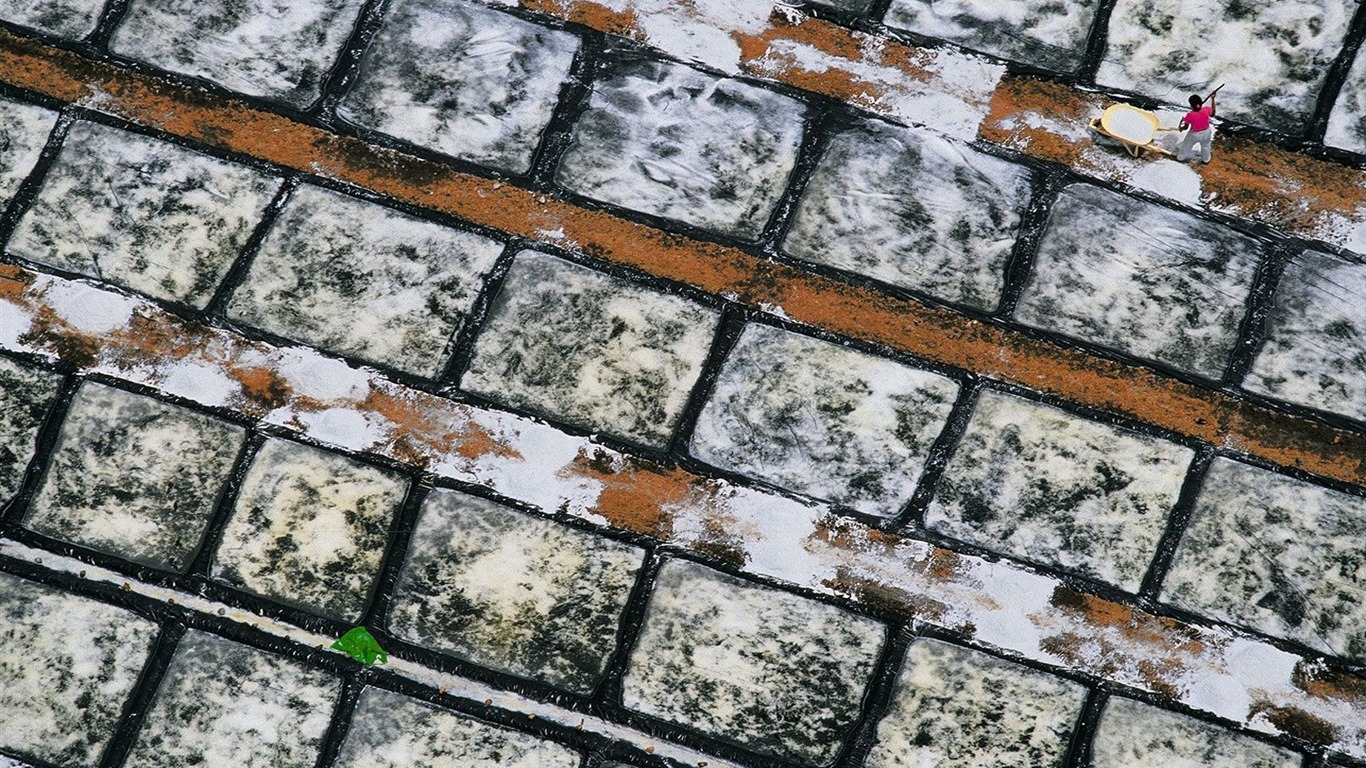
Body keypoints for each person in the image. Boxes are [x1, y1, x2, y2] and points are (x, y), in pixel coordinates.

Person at [1178, 87, 1219, 163]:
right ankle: (1206, 159)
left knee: (1186, 145)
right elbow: (1213, 113)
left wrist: (1181, 127)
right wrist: (1213, 99)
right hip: (1207, 132)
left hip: (1195, 134)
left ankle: (1181, 157)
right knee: (1206, 146)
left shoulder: (1190, 115)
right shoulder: (1206, 109)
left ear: (1192, 105)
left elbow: (1186, 127)